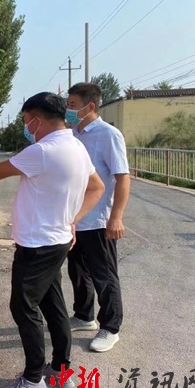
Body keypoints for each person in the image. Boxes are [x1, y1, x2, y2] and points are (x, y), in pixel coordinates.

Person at [0, 92, 105, 388]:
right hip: (57, 240)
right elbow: (97, 187)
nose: (26, 127)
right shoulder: (75, 146)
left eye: (26, 121)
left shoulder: (42, 151)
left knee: (23, 307)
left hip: (37, 244)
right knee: (53, 305)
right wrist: (73, 221)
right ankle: (61, 371)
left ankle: (33, 379)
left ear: (37, 120)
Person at [65, 83, 130, 352]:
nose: (68, 110)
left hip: (98, 219)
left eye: (72, 105)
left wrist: (116, 217)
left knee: (104, 275)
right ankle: (84, 315)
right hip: (75, 218)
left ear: (90, 106)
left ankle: (111, 327)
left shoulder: (108, 135)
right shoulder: (72, 135)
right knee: (77, 271)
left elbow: (122, 178)